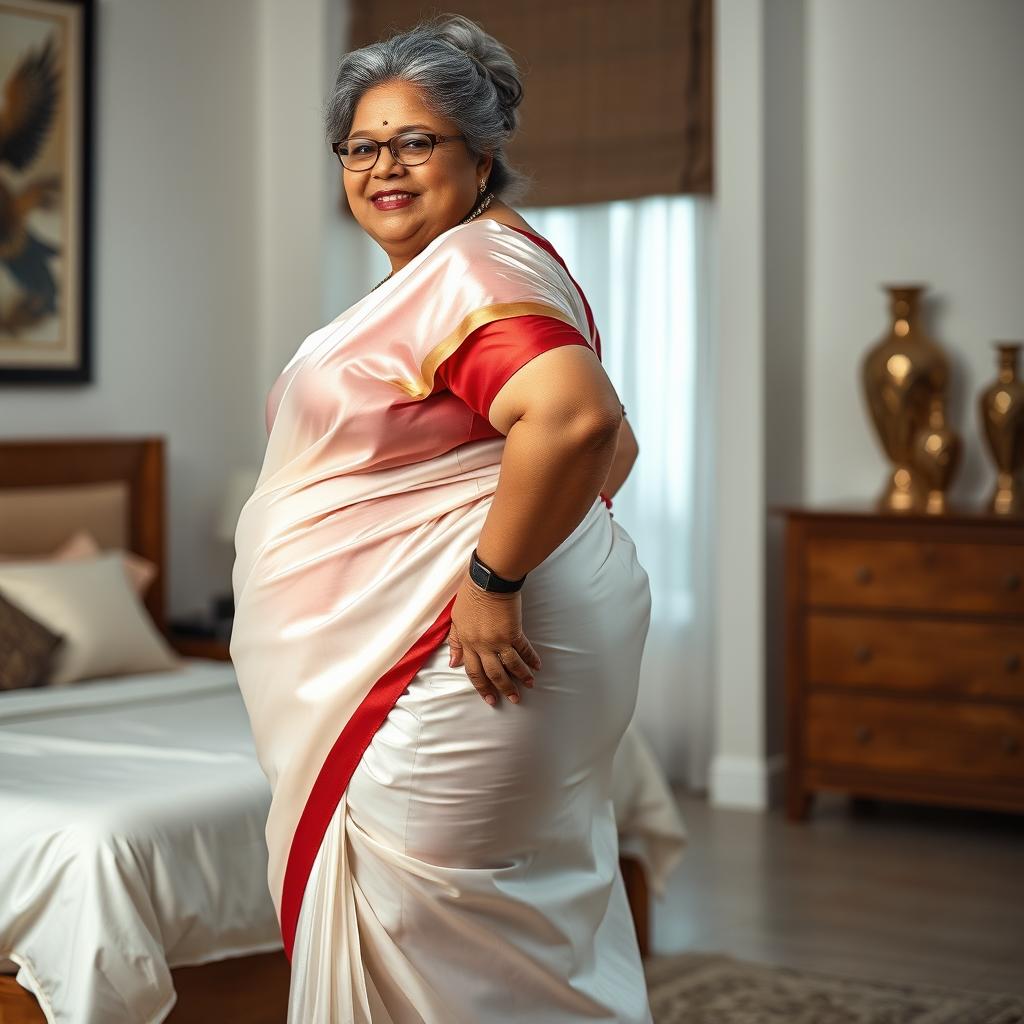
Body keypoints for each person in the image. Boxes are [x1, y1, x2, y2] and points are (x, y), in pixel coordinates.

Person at [230, 13, 653, 1023]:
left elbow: (579, 419)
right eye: (361, 145)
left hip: (442, 661)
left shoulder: (472, 269)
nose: (383, 166)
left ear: (482, 151)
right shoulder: (490, 263)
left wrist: (489, 581)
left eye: (416, 141)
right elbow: (614, 447)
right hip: (455, 651)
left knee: (440, 956)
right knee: (507, 945)